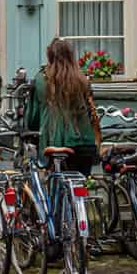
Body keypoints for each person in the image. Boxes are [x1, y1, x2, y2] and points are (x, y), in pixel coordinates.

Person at [23, 38, 102, 177]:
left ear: (49, 56)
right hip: (85, 143)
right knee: (80, 184)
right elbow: (89, 112)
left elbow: (33, 118)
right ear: (72, 55)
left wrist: (32, 131)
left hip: (55, 143)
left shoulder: (41, 79)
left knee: (57, 186)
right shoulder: (82, 79)